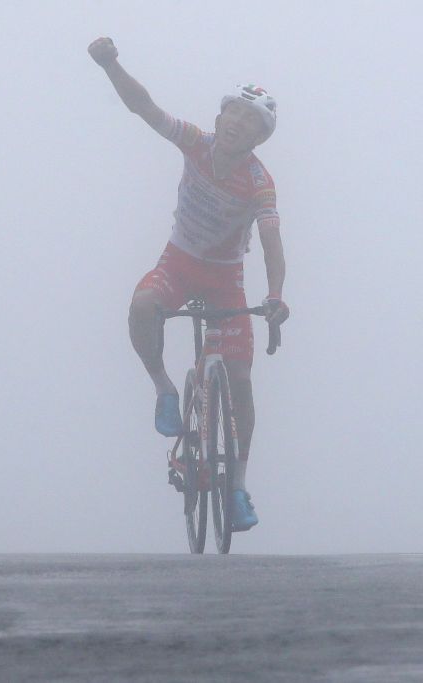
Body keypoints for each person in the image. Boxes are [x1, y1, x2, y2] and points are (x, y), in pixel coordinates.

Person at [88, 37, 290, 531]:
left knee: (240, 382)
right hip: (178, 261)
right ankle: (164, 390)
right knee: (142, 307)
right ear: (220, 118)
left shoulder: (260, 182)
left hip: (226, 278)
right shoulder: (195, 142)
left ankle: (238, 486)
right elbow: (145, 109)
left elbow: (270, 240)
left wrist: (277, 298)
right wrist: (111, 64)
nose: (238, 123)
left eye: (251, 122)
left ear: (258, 140)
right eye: (234, 113)